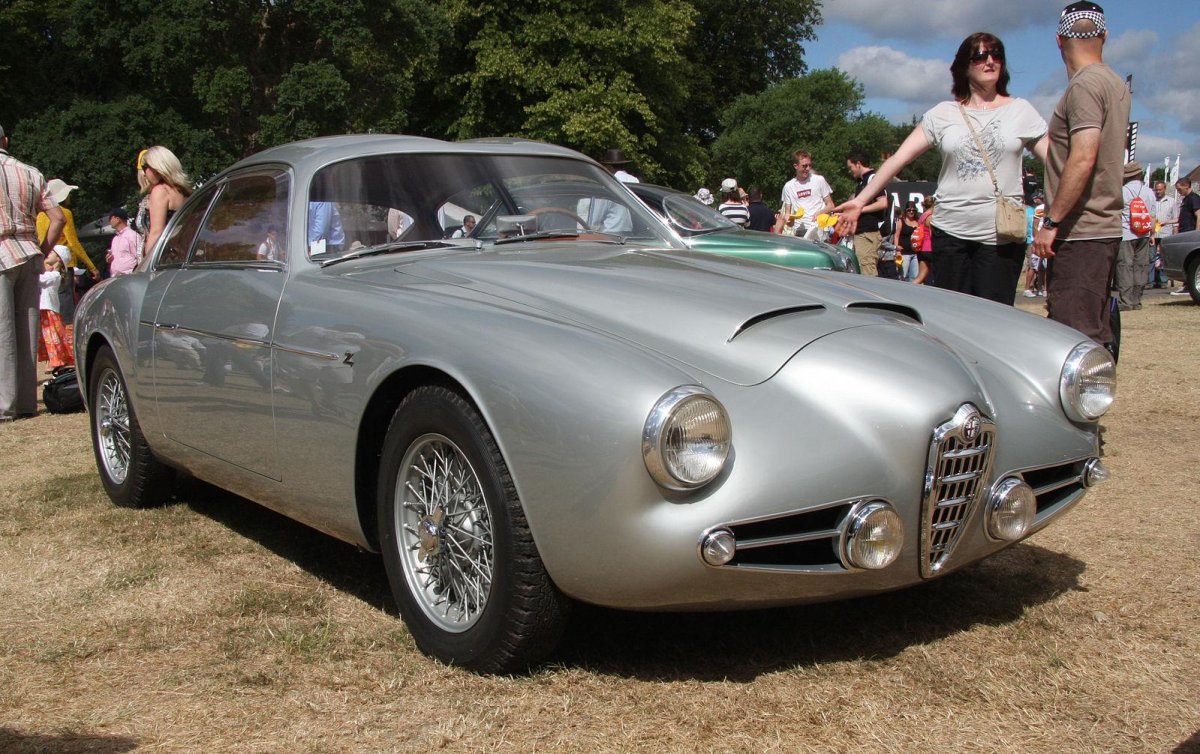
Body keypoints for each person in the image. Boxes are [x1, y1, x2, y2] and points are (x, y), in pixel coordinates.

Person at [835, 32, 1048, 303]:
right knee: (954, 316)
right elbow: (898, 159)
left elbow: (1057, 164)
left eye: (996, 54)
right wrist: (860, 200)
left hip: (1001, 238)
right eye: (980, 55)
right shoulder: (943, 113)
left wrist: (1053, 219)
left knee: (995, 318)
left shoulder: (1020, 111)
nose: (990, 61)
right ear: (964, 66)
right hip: (951, 235)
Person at [1032, 2, 1130, 346]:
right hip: (1100, 229)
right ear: (1105, 36)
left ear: (1059, 40)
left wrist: (1052, 222)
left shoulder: (1084, 86)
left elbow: (1084, 157)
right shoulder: (1114, 83)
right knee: (1093, 332)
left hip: (1081, 231)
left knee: (1073, 338)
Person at [2, 123, 65, 422]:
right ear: (5, 140)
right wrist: (41, 249)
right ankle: (27, 403)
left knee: (2, 332)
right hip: (29, 253)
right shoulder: (31, 172)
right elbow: (58, 218)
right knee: (27, 328)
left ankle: (4, 405)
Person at [36, 179, 99, 282]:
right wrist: (92, 267)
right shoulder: (65, 213)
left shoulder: (40, 215)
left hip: (45, 263)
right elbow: (73, 242)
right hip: (63, 264)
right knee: (65, 292)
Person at [138, 146, 193, 261]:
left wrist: (146, 264)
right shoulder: (183, 191)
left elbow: (156, 232)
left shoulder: (160, 190)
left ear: (156, 167)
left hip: (163, 259)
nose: (144, 173)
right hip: (183, 256)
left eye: (145, 167)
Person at [1115, 161, 1156, 310]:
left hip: (1126, 233)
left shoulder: (1122, 191)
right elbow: (1152, 216)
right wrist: (1152, 234)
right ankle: (1136, 300)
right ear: (1139, 174)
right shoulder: (1149, 192)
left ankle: (1126, 301)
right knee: (1141, 266)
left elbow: (1116, 213)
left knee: (1125, 266)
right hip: (1144, 233)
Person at [844, 150, 889, 277]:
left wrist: (859, 209)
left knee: (867, 272)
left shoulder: (872, 178)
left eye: (850, 167)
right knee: (860, 269)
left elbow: (883, 203)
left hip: (868, 233)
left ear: (858, 164)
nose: (850, 171)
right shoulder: (861, 182)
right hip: (861, 233)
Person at [777, 150, 833, 239]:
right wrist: (789, 220)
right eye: (804, 166)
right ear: (795, 166)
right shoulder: (788, 186)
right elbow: (789, 216)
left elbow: (831, 205)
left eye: (809, 165)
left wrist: (819, 213)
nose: (807, 168)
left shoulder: (819, 180)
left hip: (819, 229)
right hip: (800, 231)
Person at [38, 246, 74, 373]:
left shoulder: (55, 275)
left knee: (52, 336)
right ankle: (55, 361)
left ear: (59, 258)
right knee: (49, 336)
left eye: (52, 252)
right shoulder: (51, 274)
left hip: (49, 310)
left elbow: (40, 280)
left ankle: (57, 361)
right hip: (46, 309)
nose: (48, 253)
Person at [1170, 179, 1200, 295]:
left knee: (1190, 261)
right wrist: (1166, 222)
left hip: (1191, 233)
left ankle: (1188, 286)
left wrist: (1197, 232)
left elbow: (1199, 215)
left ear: (1186, 186)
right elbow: (1182, 218)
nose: (1178, 192)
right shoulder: (1185, 199)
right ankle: (1186, 285)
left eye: (1179, 189)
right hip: (1184, 232)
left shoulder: (1193, 198)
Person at [1149, 180, 1177, 289]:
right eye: (1156, 190)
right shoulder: (1151, 200)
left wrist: (1175, 233)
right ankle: (1149, 281)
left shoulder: (1171, 201)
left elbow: (1175, 218)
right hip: (1153, 233)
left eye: (1160, 190)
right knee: (1151, 257)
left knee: (1164, 257)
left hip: (1166, 233)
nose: (1158, 192)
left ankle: (1163, 280)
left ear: (1165, 189)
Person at [106, 207, 139, 276]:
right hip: (115, 277)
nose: (109, 222)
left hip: (129, 276)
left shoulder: (132, 235)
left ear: (118, 219)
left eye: (110, 218)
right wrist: (110, 259)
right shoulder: (115, 239)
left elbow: (139, 256)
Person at [893, 200, 921, 281]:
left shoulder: (918, 222)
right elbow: (896, 236)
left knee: (914, 277)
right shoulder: (901, 221)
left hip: (915, 254)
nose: (911, 212)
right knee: (902, 276)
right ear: (905, 210)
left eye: (913, 210)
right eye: (909, 210)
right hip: (904, 253)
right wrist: (897, 250)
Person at [914, 195, 935, 285]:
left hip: (921, 248)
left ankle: (910, 288)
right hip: (929, 248)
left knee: (921, 276)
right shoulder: (930, 217)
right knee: (931, 277)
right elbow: (932, 234)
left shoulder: (922, 216)